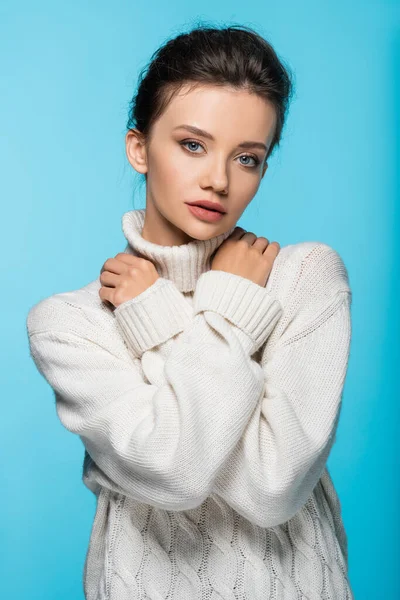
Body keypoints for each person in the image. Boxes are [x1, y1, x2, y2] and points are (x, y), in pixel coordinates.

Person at [26, 23, 354, 600]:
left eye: (247, 158)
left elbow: (273, 490)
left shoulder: (305, 278)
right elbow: (176, 473)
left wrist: (162, 318)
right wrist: (228, 321)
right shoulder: (71, 323)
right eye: (193, 145)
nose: (219, 180)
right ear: (139, 149)